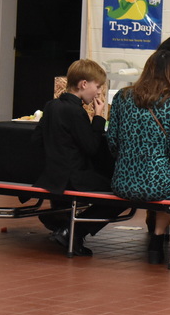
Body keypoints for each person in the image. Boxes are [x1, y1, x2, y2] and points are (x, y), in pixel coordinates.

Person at [108, 49, 170, 264]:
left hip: (122, 181)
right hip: (159, 184)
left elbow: (112, 141)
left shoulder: (122, 96)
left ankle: (155, 235)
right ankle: (157, 238)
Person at [33, 59, 124, 256]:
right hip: (72, 176)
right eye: (97, 86)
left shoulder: (51, 106)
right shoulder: (76, 112)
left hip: (52, 175)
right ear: (84, 84)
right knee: (120, 193)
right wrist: (99, 117)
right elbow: (91, 147)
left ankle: (59, 221)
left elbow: (37, 138)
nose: (98, 92)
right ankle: (74, 231)